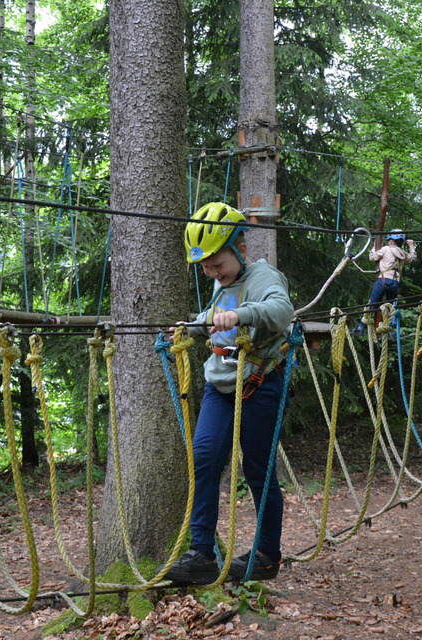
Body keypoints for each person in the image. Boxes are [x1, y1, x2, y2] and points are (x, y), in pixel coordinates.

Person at [162, 202, 293, 585]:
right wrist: (190, 328)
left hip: (259, 384)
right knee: (204, 459)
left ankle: (266, 555)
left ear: (241, 249)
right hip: (220, 386)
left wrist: (241, 315)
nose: (212, 272)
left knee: (258, 470)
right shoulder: (222, 284)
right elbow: (213, 320)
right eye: (205, 267)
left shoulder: (263, 276)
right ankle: (202, 553)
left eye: (216, 264)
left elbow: (281, 310)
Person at [353, 228, 416, 336]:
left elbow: (372, 257)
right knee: (389, 307)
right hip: (395, 283)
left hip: (382, 281)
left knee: (372, 305)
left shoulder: (386, 249)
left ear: (391, 240)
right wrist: (411, 245)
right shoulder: (403, 253)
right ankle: (390, 331)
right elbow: (413, 258)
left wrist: (374, 248)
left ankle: (360, 328)